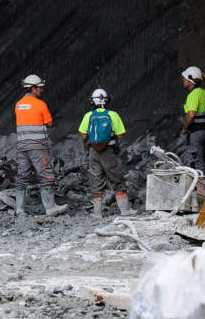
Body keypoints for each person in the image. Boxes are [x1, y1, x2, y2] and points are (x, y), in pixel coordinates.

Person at [9, 74, 67, 216]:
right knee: (45, 175)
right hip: (38, 147)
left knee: (22, 176)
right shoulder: (40, 104)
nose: (41, 90)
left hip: (22, 147)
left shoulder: (18, 105)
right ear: (33, 88)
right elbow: (49, 123)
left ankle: (19, 209)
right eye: (40, 88)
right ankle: (50, 207)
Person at [77, 88, 136, 218]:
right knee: (116, 179)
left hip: (93, 152)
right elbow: (120, 134)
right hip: (109, 152)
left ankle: (97, 212)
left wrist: (95, 140)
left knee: (96, 179)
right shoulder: (112, 114)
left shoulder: (88, 115)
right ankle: (125, 210)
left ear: (92, 101)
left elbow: (82, 134)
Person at [179, 65, 205, 173]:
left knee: (197, 164)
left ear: (191, 79)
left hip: (196, 133)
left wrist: (185, 128)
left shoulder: (193, 95)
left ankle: (201, 188)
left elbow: (191, 114)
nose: (183, 79)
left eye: (185, 78)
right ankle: (201, 186)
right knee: (201, 161)